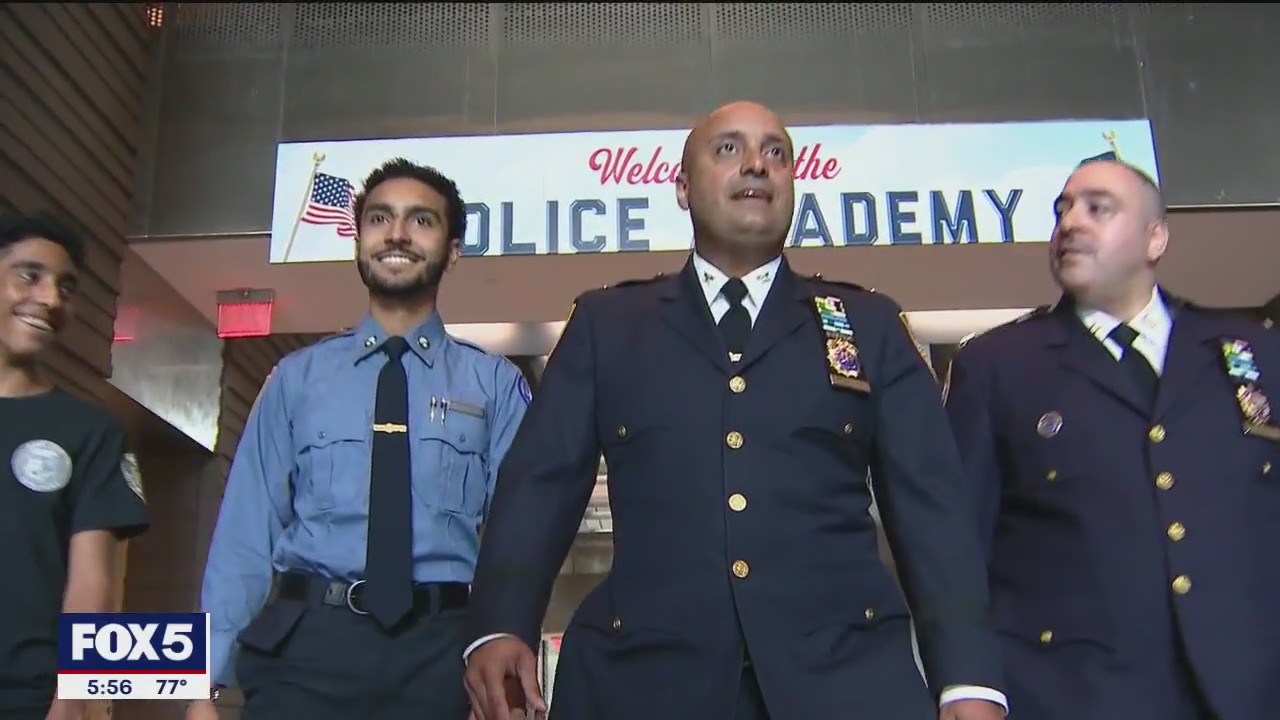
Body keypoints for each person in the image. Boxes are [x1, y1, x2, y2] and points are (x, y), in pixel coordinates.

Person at [462, 101, 1008, 720]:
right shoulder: (608, 325)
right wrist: (500, 623)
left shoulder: (868, 325)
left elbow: (933, 509)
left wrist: (969, 680)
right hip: (646, 682)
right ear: (681, 187)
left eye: (776, 153)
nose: (756, 164)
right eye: (728, 149)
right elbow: (540, 482)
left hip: (846, 681)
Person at [188, 159, 532, 720]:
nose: (396, 234)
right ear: (358, 240)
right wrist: (203, 688)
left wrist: (501, 654)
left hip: (441, 656)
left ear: (453, 251)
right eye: (379, 218)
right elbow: (244, 536)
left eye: (421, 220)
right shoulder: (295, 379)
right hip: (307, 649)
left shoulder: (495, 385)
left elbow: (521, 541)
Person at [942, 158, 1280, 720]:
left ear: (1155, 238)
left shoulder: (1251, 354)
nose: (1071, 222)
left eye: (1098, 208)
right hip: (1073, 693)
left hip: (1249, 688)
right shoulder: (998, 365)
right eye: (1062, 210)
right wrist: (968, 681)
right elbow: (956, 544)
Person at [0, 211, 150, 720]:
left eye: (66, 288)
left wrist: (74, 697)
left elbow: (93, 586)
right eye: (29, 275)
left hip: (28, 698)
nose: (50, 299)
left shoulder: (90, 432)